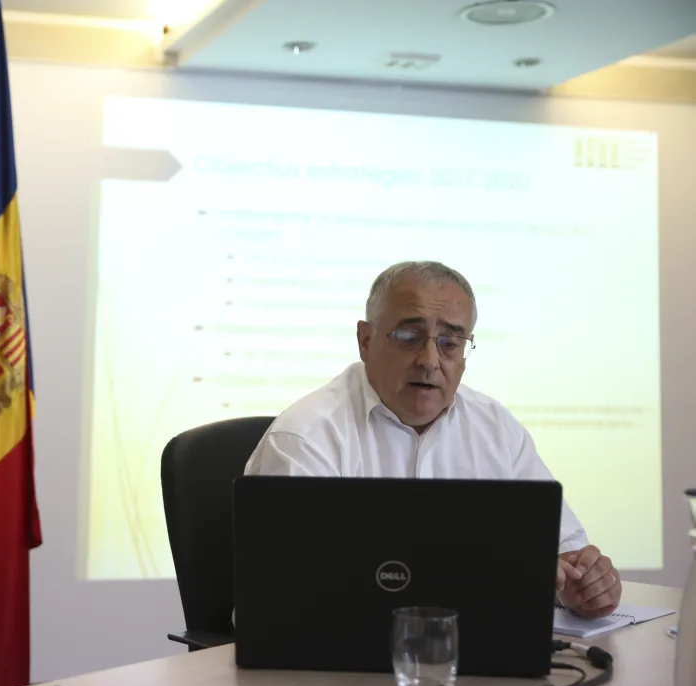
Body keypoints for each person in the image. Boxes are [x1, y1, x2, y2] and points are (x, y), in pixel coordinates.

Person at [244, 260, 621, 619]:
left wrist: (582, 583)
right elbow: (293, 596)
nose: (429, 359)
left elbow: (564, 550)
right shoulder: (305, 438)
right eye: (409, 336)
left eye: (450, 343)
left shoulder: (496, 428)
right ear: (365, 341)